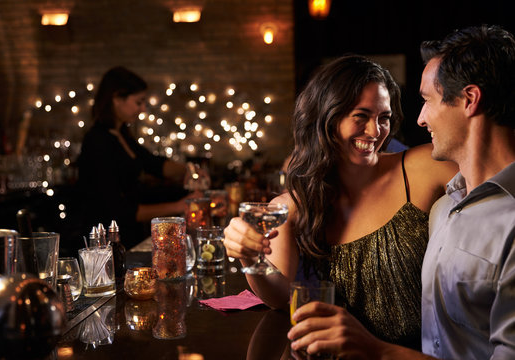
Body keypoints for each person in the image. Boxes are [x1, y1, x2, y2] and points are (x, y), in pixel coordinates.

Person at [287, 25, 515, 359]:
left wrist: (377, 351)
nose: (421, 119)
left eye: (427, 100)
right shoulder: (446, 207)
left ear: (469, 99)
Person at [223, 55, 458, 350]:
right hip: (348, 354)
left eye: (383, 118)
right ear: (327, 118)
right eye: (360, 116)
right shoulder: (294, 204)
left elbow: (495, 168)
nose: (375, 132)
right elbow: (281, 297)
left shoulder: (420, 167)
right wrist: (251, 258)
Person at [77, 66, 198, 249]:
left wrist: (191, 169)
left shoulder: (121, 135)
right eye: (139, 102)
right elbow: (118, 209)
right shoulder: (97, 141)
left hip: (129, 235)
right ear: (117, 98)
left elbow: (155, 164)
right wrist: (179, 206)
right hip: (107, 244)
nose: (142, 108)